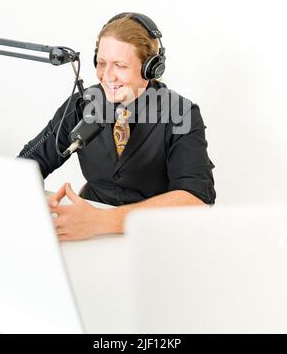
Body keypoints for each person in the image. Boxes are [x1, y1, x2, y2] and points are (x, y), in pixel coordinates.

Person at [19, 12, 216, 241]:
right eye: (101, 63)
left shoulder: (181, 113)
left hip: (152, 237)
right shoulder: (84, 103)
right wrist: (34, 200)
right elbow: (29, 162)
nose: (107, 76)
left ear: (150, 68)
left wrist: (101, 221)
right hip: (88, 234)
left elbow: (196, 198)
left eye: (120, 65)